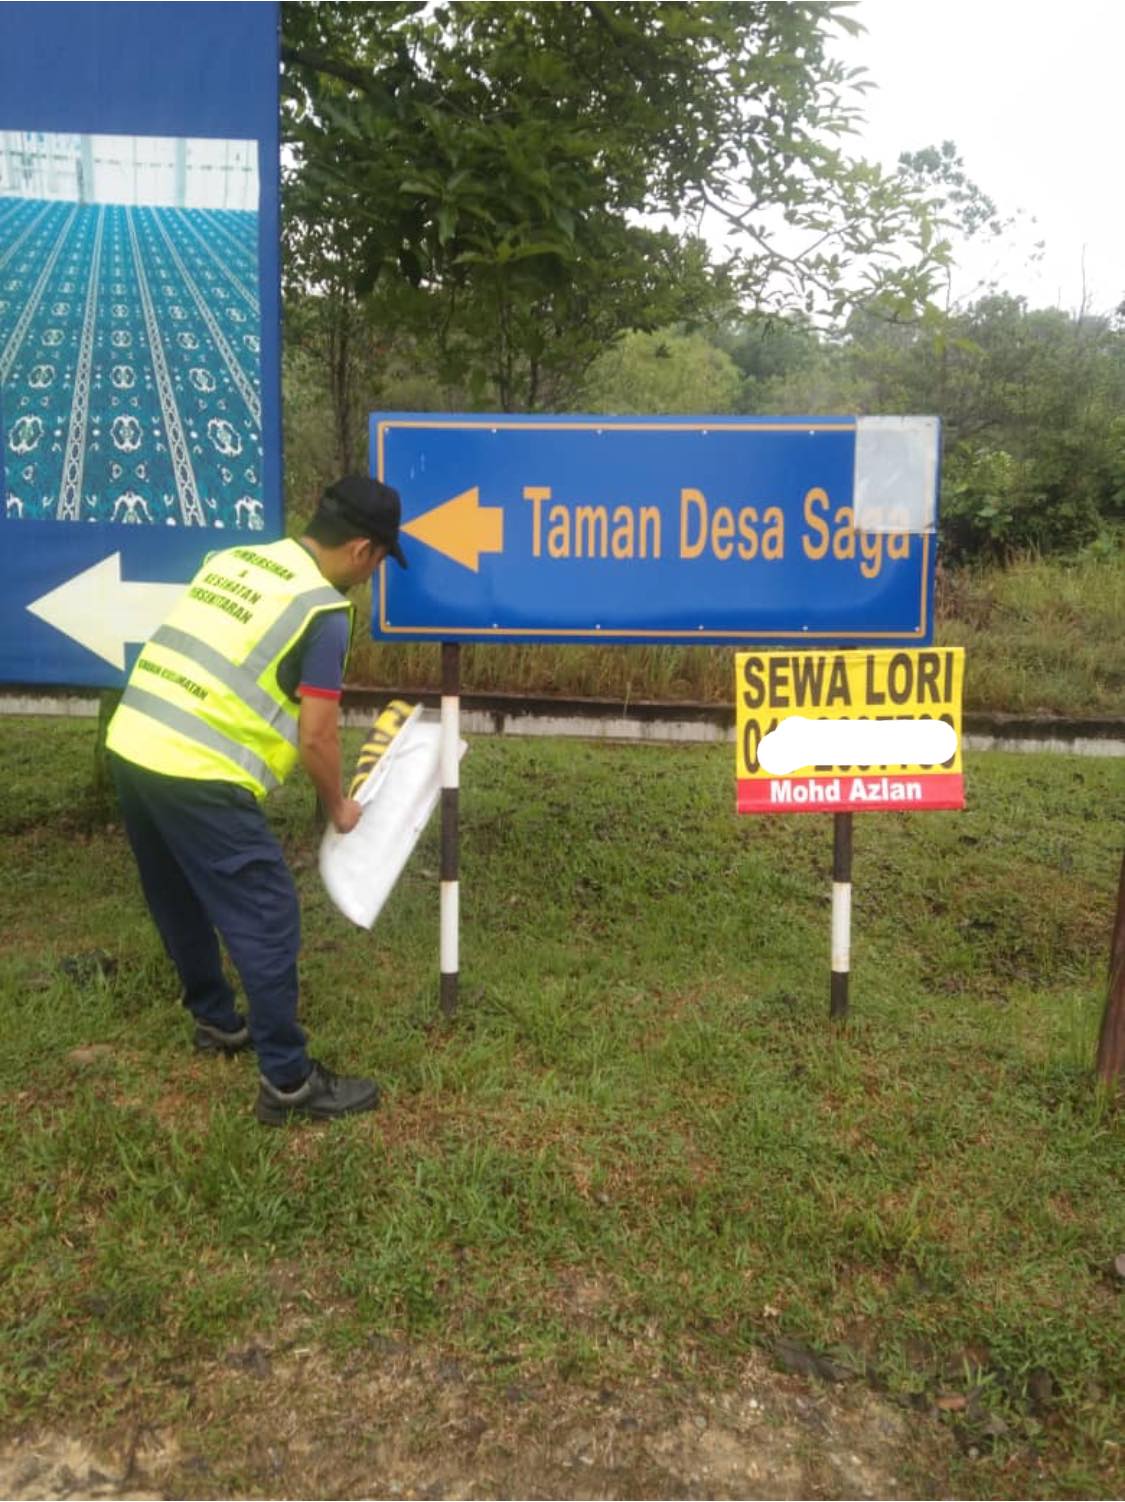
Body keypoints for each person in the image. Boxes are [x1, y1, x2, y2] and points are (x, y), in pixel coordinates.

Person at [105, 475, 408, 1125]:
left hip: (132, 742)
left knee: (177, 893)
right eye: (381, 561)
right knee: (268, 916)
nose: (372, 575)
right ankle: (289, 1084)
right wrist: (339, 807)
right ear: (362, 550)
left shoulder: (237, 559)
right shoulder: (323, 613)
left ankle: (215, 1021)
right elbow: (318, 735)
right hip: (198, 770)